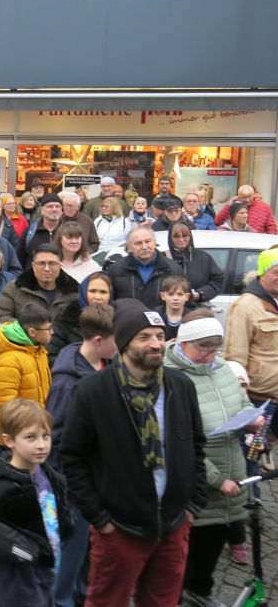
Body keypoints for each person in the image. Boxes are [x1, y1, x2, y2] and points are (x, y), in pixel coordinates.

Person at [60, 298, 207, 607]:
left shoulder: (181, 386)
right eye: (144, 337)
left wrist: (192, 506)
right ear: (125, 344)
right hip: (119, 530)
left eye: (159, 336)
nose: (155, 344)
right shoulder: (94, 391)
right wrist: (100, 519)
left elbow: (196, 445)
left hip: (173, 526)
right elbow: (72, 457)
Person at [163, 314, 258, 607]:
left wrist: (252, 419)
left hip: (232, 467)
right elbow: (178, 442)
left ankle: (199, 590)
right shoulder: (170, 377)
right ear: (183, 343)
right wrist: (217, 479)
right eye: (203, 349)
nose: (209, 356)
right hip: (198, 480)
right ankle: (172, 595)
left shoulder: (221, 367)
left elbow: (242, 402)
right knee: (183, 547)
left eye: (215, 349)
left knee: (213, 542)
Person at [0, 398, 72, 607]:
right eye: (30, 437)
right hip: (14, 584)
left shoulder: (47, 475)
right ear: (9, 440)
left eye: (45, 436)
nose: (41, 445)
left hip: (45, 573)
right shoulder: (2, 488)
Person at [45, 302, 116, 607]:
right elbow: (55, 442)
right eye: (118, 339)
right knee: (70, 561)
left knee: (90, 559)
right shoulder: (66, 384)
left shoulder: (106, 365)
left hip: (98, 484)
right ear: (98, 341)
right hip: (74, 490)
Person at [223, 248, 278, 435]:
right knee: (251, 456)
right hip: (260, 400)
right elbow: (235, 360)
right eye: (276, 272)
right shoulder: (244, 306)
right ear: (262, 273)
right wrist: (242, 402)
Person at [0, 245, 78, 361]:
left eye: (52, 263)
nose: (47, 268)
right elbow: (1, 316)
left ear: (60, 266)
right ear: (33, 266)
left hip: (62, 356)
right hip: (24, 353)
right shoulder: (15, 288)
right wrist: (29, 330)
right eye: (42, 263)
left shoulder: (74, 292)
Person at [0, 303, 52, 434]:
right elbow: (5, 404)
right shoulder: (10, 359)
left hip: (38, 427)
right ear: (32, 332)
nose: (52, 332)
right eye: (48, 328)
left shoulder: (39, 352)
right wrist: (17, 435)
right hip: (18, 434)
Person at [104, 226, 184, 309]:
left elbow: (186, 304)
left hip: (162, 321)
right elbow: (107, 304)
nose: (144, 247)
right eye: (138, 243)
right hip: (127, 321)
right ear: (130, 248)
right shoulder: (115, 271)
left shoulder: (173, 270)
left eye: (148, 241)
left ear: (154, 243)